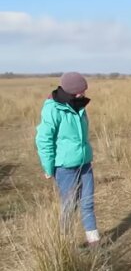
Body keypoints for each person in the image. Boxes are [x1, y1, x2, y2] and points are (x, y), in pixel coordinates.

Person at [35, 71, 100, 247]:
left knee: (87, 203)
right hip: (65, 167)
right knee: (70, 206)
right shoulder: (52, 109)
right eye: (81, 90)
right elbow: (44, 139)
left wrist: (86, 156)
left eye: (84, 90)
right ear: (71, 90)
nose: (84, 93)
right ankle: (65, 244)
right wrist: (48, 168)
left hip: (85, 164)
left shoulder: (79, 105)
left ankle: (94, 242)